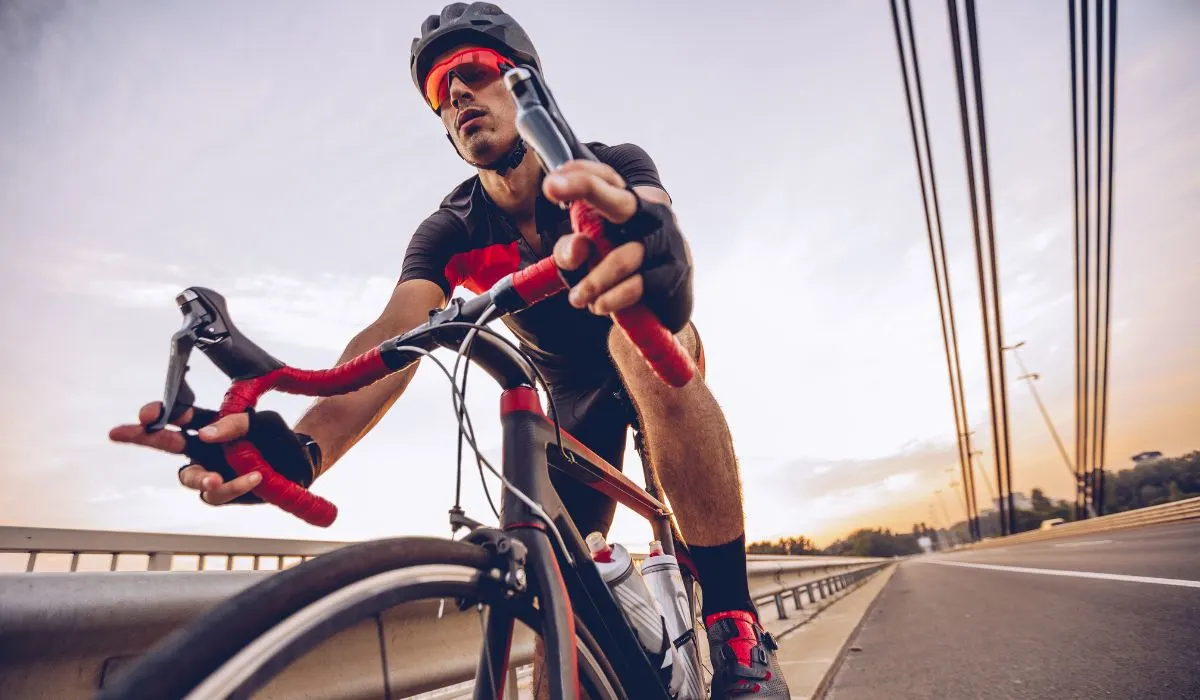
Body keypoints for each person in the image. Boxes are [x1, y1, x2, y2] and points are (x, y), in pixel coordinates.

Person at [109, 3, 790, 697]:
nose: (457, 94)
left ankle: (735, 627)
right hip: (570, 401)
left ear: (526, 86)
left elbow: (647, 208)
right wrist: (304, 452)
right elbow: (392, 335)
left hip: (651, 343)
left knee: (643, 339)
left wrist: (656, 242)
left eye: (472, 73)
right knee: (560, 625)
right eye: (441, 91)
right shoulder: (450, 228)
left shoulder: (606, 163)